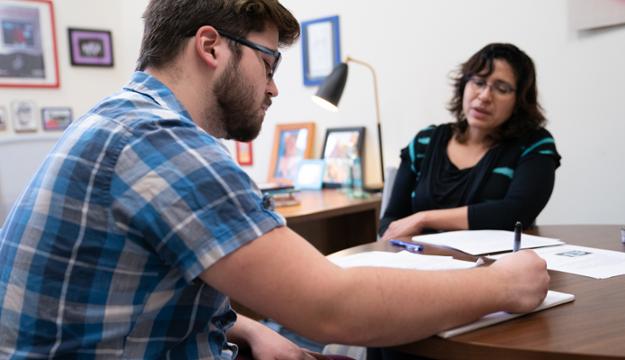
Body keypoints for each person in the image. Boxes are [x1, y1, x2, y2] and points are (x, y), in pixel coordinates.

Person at [0, 2, 549, 358]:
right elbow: (333, 306)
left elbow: (141, 290)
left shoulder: (119, 118)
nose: (273, 88)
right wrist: (504, 284)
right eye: (269, 64)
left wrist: (246, 327)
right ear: (211, 47)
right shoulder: (163, 143)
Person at [380, 43, 561, 241]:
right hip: (422, 262)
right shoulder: (425, 141)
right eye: (478, 82)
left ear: (519, 101)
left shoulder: (534, 144)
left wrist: (424, 218)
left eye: (501, 88)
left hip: (497, 266)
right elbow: (390, 221)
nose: (484, 96)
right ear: (464, 85)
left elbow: (516, 213)